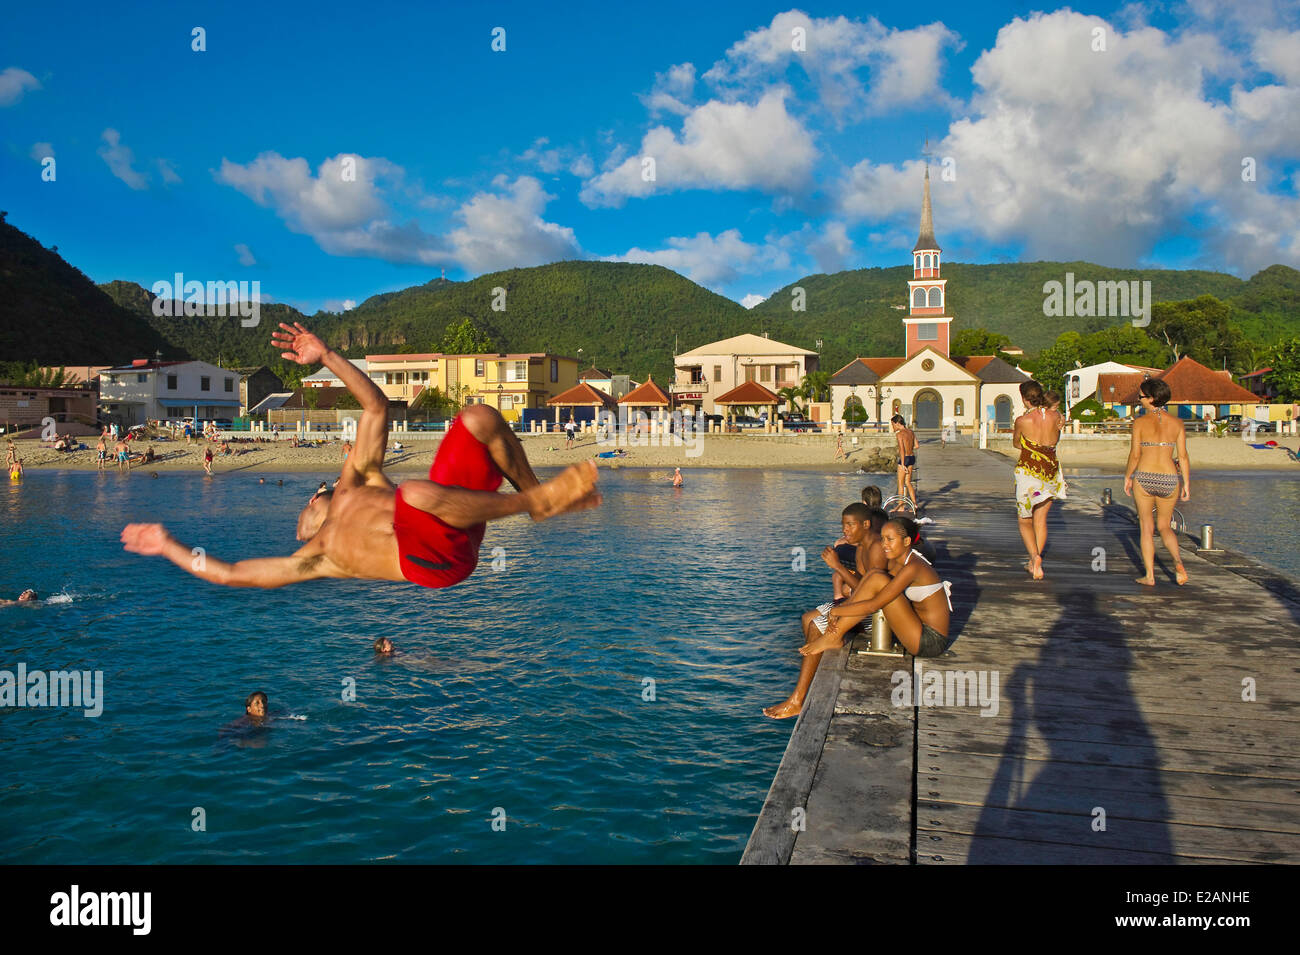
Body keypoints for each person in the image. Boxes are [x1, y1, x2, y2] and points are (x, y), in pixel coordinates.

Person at [121, 322, 601, 591]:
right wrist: (168, 546)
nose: (300, 520)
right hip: (435, 561)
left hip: (456, 511)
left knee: (477, 417)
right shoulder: (317, 556)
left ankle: (536, 496)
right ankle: (534, 504)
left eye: (303, 510)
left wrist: (327, 355)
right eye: (299, 523)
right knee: (412, 492)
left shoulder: (360, 480)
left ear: (318, 495)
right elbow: (229, 573)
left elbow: (374, 405)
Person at [765, 517, 952, 719]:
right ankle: (832, 639)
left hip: (928, 641)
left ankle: (832, 639)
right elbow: (869, 586)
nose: (884, 545)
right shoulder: (903, 561)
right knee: (875, 575)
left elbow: (875, 603)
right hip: (915, 629)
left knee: (877, 578)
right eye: (883, 539)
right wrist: (844, 605)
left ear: (906, 542)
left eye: (890, 540)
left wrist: (836, 612)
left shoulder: (913, 567)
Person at [1124, 378, 1190, 586]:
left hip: (1145, 476)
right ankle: (1178, 562)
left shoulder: (1140, 423)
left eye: (1141, 397)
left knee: (1146, 526)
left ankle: (1150, 576)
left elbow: (1135, 455)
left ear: (1151, 399)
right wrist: (1186, 483)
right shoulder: (1177, 423)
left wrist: (1127, 476)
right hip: (1170, 479)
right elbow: (1184, 456)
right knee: (1165, 526)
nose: (1139, 400)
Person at [1011, 380, 1065, 580]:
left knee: (1025, 520)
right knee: (1041, 519)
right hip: (1050, 471)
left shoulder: (1022, 420)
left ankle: (1034, 557)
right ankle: (1035, 560)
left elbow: (1017, 443)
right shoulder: (1056, 416)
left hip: (1028, 471)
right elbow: (1056, 439)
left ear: (1025, 399)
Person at [891, 414, 917, 510]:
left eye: (893, 424)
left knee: (901, 484)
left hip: (904, 459)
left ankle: (901, 507)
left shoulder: (899, 434)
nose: (892, 426)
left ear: (897, 423)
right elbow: (917, 446)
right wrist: (909, 448)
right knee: (908, 482)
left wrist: (902, 464)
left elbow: (902, 450)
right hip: (911, 458)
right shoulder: (911, 432)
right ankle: (914, 504)